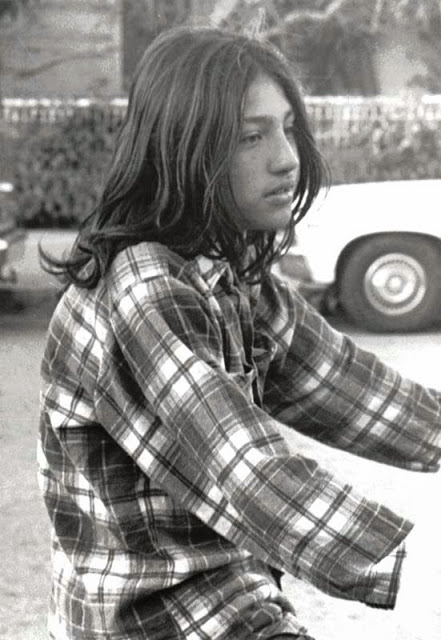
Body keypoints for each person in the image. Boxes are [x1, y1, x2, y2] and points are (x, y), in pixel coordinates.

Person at [38, 26, 441, 640]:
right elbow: (249, 472)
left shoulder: (229, 270)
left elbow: (351, 388)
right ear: (184, 148)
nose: (287, 158)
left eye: (287, 128)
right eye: (251, 137)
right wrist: (418, 565)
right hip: (152, 621)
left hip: (230, 602)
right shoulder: (147, 287)